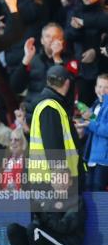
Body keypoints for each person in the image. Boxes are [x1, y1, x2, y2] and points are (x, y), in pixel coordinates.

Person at [27, 65, 83, 194]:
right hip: (55, 183)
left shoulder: (48, 104)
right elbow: (53, 142)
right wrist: (60, 173)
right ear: (67, 83)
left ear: (48, 82)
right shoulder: (50, 107)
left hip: (49, 180)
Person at [10, 23, 71, 115]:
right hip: (32, 110)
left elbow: (66, 89)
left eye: (55, 37)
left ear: (62, 41)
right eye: (47, 36)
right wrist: (26, 59)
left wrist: (57, 58)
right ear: (42, 40)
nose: (51, 40)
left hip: (57, 111)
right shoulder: (33, 59)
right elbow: (16, 87)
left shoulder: (69, 61)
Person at [66, 0, 108, 105]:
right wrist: (75, 28)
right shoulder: (73, 12)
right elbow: (68, 37)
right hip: (81, 70)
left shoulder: (103, 12)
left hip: (102, 68)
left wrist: (95, 51)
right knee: (84, 107)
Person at [79, 74, 108, 191]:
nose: (102, 90)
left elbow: (105, 130)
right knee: (88, 190)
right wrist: (81, 127)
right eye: (99, 86)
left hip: (103, 160)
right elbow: (90, 125)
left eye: (106, 87)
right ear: (95, 88)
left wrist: (89, 123)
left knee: (98, 192)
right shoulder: (95, 104)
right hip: (91, 157)